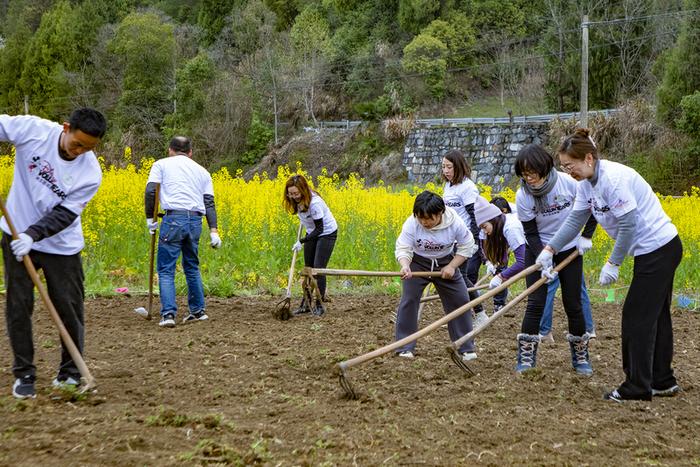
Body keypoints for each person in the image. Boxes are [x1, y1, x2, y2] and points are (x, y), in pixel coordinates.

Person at [543, 128, 682, 401]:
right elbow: (575, 220)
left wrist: (613, 263)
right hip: (653, 251)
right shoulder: (586, 185)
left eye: (571, 165)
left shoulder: (614, 179)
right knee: (656, 316)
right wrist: (549, 249)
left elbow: (629, 225)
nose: (568, 171)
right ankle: (662, 380)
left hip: (659, 249)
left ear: (589, 159)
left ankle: (637, 386)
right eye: (564, 167)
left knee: (636, 317)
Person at [0, 108, 107, 399]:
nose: (81, 151)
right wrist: (21, 235)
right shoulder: (33, 130)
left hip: (62, 246)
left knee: (70, 309)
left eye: (89, 148)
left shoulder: (90, 172)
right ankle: (24, 375)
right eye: (77, 143)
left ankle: (69, 373)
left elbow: (65, 214)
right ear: (66, 128)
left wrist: (32, 235)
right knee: (19, 306)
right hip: (15, 233)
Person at [514, 144, 596, 375]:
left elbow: (592, 207)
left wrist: (586, 237)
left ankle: (580, 356)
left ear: (546, 168)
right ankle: (526, 356)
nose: (529, 179)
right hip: (538, 249)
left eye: (532, 173)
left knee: (573, 303)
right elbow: (530, 232)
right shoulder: (523, 196)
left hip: (569, 249)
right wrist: (543, 257)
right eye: (524, 175)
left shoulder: (567, 183)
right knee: (535, 303)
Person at [145, 136, 222, 328]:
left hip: (173, 219)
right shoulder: (203, 171)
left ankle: (168, 314)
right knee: (192, 267)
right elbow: (209, 203)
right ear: (190, 152)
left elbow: (151, 191)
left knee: (166, 269)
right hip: (195, 220)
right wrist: (214, 231)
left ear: (170, 149)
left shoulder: (161, 164)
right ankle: (197, 311)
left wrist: (150, 219)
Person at [394, 191, 478, 361]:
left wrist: (452, 266)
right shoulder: (412, 223)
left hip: (446, 262)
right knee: (409, 300)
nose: (425, 222)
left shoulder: (454, 222)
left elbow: (467, 245)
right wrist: (405, 266)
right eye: (421, 218)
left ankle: (465, 347)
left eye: (429, 218)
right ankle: (404, 347)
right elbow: (403, 247)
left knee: (461, 300)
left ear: (440, 213)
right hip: (418, 263)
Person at [441, 150, 488, 326]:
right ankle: (459, 315)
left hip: (464, 238)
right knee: (451, 277)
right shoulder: (448, 186)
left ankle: (480, 313)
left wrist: (475, 241)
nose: (446, 171)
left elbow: (473, 216)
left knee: (461, 275)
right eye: (443, 167)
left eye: (449, 167)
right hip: (449, 238)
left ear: (458, 167)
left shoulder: (468, 187)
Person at [283, 174, 337, 316]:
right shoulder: (295, 200)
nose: (293, 196)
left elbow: (320, 229)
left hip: (326, 233)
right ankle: (305, 304)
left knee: (318, 270)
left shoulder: (315, 203)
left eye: (296, 193)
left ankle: (319, 305)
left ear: (303, 190)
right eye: (290, 194)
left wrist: (301, 241)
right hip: (312, 231)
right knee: (308, 269)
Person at [473, 196, 526, 313]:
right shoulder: (497, 225)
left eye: (485, 227)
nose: (485, 231)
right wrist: (490, 262)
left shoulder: (511, 228)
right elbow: (495, 247)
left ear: (493, 220)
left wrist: (500, 276)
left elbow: (523, 262)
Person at [482, 196, 518, 311]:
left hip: (517, 236)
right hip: (501, 236)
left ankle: (499, 303)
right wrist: (489, 261)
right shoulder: (485, 220)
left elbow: (521, 258)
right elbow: (485, 242)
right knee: (498, 269)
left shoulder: (513, 218)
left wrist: (501, 275)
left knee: (502, 271)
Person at [539, 273, 595, 343]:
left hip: (556, 263)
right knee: (577, 285)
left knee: (549, 286)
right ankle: (587, 329)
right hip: (574, 262)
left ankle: (545, 332)